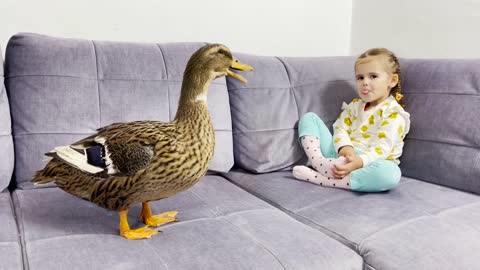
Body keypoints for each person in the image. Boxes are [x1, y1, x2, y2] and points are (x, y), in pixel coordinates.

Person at [292, 48, 410, 192]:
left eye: (373, 76)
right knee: (309, 118)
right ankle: (318, 162)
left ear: (392, 80)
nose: (365, 82)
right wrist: (344, 147)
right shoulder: (354, 106)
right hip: (339, 155)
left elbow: (383, 147)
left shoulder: (394, 113)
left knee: (390, 174)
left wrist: (358, 162)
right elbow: (340, 128)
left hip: (368, 163)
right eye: (360, 77)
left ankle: (322, 179)